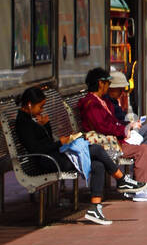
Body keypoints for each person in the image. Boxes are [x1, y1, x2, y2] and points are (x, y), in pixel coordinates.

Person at [15, 86, 140, 225]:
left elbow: (46, 140)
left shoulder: (31, 119)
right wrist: (60, 143)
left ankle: (95, 208)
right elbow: (36, 148)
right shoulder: (23, 123)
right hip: (48, 161)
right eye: (40, 106)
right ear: (29, 104)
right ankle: (121, 180)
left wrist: (46, 125)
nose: (42, 110)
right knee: (97, 150)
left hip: (54, 156)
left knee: (97, 165)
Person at [77, 68, 147, 201]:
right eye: (107, 84)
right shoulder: (91, 104)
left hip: (113, 140)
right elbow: (102, 126)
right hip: (105, 144)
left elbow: (113, 122)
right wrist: (123, 130)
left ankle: (144, 187)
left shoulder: (102, 101)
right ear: (100, 83)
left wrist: (126, 127)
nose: (108, 87)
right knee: (144, 150)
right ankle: (141, 191)